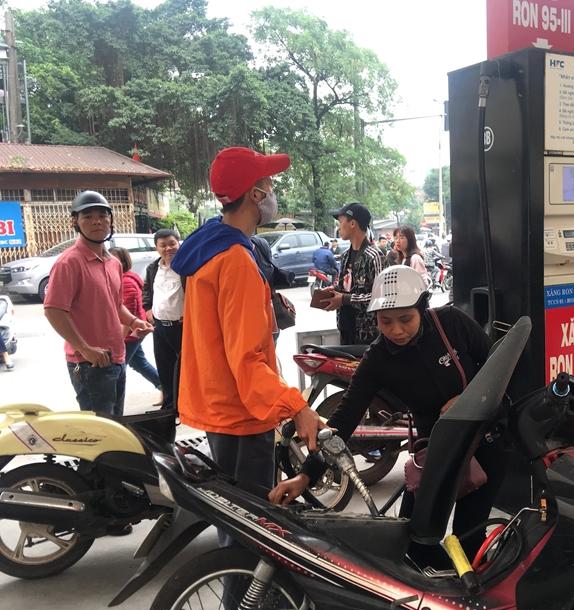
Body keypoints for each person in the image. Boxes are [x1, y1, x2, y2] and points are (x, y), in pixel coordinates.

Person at [270, 265, 499, 565]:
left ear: (422, 308)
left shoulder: (452, 323)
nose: (396, 330)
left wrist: (468, 398)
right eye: (385, 321)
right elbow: (342, 422)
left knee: (470, 537)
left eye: (406, 319)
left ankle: (480, 585)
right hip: (435, 451)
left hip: (486, 440)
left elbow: (498, 366)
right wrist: (305, 476)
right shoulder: (377, 359)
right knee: (414, 543)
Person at [170, 146, 320, 546]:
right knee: (249, 539)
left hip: (220, 407)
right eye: (269, 184)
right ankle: (243, 590)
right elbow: (247, 359)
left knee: (234, 527)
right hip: (242, 413)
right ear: (255, 194)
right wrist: (297, 407)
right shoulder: (235, 259)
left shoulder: (208, 247)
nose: (273, 193)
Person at [44, 191, 153, 416]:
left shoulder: (113, 262)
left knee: (115, 426)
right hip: (89, 363)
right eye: (88, 216)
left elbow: (115, 304)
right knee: (100, 431)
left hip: (117, 356)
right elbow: (53, 310)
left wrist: (134, 322)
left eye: (103, 216)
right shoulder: (69, 262)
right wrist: (85, 349)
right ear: (75, 221)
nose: (97, 221)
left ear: (110, 220)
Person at [321, 202, 385, 345]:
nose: (338, 228)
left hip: (369, 334)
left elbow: (381, 297)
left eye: (340, 222)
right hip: (346, 328)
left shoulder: (375, 256)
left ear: (352, 223)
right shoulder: (345, 256)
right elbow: (345, 287)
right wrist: (333, 291)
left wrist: (344, 299)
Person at [109, 247, 161, 403]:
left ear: (124, 261)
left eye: (115, 259)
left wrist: (119, 341)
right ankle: (166, 388)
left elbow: (128, 314)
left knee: (117, 369)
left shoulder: (126, 282)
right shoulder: (122, 278)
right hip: (132, 331)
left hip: (130, 333)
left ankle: (114, 407)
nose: (110, 262)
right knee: (138, 362)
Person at [143, 229, 185, 410]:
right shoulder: (153, 268)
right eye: (163, 245)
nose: (168, 248)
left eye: (172, 244)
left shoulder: (187, 267)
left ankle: (187, 406)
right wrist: (147, 309)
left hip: (182, 327)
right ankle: (169, 408)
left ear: (179, 243)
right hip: (160, 326)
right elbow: (146, 289)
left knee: (186, 369)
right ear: (157, 248)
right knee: (165, 368)